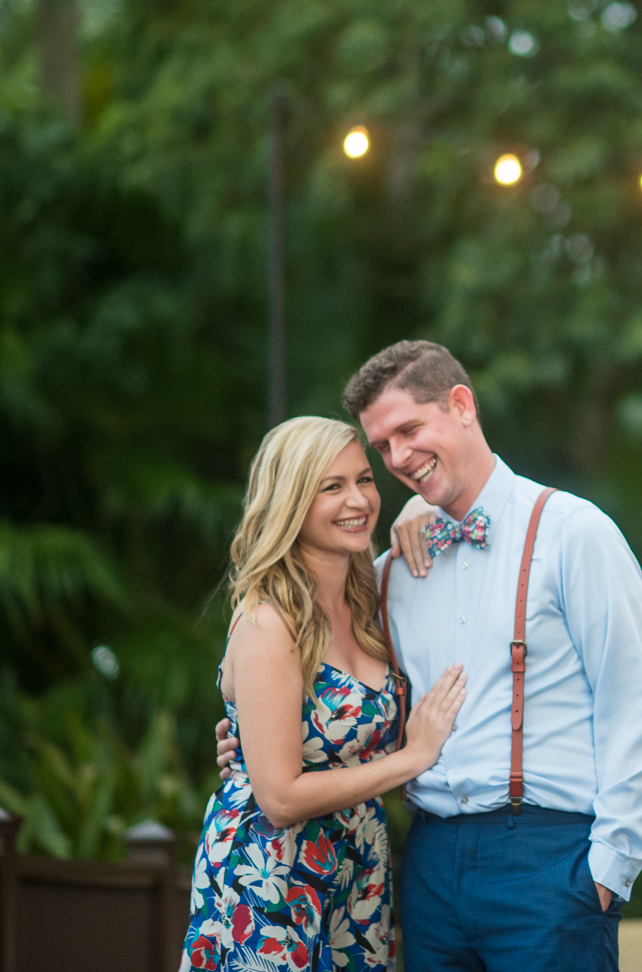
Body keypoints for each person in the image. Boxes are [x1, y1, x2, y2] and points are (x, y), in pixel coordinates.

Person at [217, 341, 642, 972]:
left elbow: (634, 712)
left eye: (409, 430)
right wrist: (252, 735)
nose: (400, 457)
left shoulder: (574, 533)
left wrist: (606, 874)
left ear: (461, 405)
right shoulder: (383, 578)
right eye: (383, 447)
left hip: (549, 864)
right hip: (424, 866)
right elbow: (322, 694)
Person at [186, 415, 469, 972]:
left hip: (355, 867)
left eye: (364, 480)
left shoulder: (369, 604)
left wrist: (418, 506)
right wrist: (413, 757)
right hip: (272, 874)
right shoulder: (272, 621)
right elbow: (280, 798)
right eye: (331, 487)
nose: (358, 500)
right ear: (290, 501)